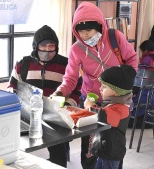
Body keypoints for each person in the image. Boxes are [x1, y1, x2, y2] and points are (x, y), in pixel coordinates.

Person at [53, 2, 138, 169]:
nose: (85, 36)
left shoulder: (115, 38)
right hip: (90, 100)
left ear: (99, 27)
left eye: (88, 31)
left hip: (116, 101)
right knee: (90, 147)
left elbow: (132, 60)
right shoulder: (76, 49)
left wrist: (125, 84)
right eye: (81, 32)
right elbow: (70, 78)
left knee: (112, 143)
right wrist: (60, 92)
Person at [8, 25, 82, 167]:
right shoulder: (23, 64)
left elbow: (78, 88)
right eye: (43, 46)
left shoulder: (66, 65)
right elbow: (12, 86)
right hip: (29, 116)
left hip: (56, 117)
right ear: (36, 47)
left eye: (51, 46)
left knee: (58, 156)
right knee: (19, 152)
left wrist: (69, 104)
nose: (48, 50)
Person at [84, 65, 136, 169]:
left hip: (112, 153)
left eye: (104, 87)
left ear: (117, 91)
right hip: (104, 148)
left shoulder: (122, 108)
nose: (100, 89)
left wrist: (90, 107)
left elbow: (103, 117)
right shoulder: (114, 102)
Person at [129, 40, 154, 129]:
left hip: (145, 92)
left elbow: (140, 79)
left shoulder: (146, 59)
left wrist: (133, 91)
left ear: (146, 50)